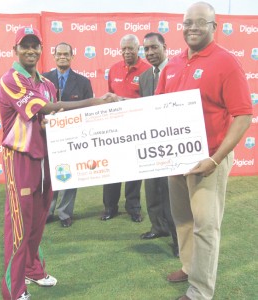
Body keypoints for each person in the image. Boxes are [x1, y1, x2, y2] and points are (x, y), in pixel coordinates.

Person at [0, 26, 117, 300]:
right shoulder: (10, 79)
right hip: (21, 159)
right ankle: (13, 291)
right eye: (24, 46)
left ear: (41, 49)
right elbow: (46, 108)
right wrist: (95, 101)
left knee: (39, 219)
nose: (30, 50)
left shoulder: (47, 84)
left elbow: (56, 117)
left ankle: (33, 270)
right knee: (19, 224)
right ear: (15, 50)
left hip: (47, 157)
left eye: (34, 45)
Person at [155, 2, 252, 300]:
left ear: (214, 27)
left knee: (206, 227)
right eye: (187, 22)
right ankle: (188, 266)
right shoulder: (172, 65)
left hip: (208, 158)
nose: (193, 27)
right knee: (183, 220)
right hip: (175, 159)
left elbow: (243, 115)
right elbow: (156, 109)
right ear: (181, 27)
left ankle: (200, 290)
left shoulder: (226, 62)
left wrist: (215, 158)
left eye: (200, 22)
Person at [43, 42, 93, 228]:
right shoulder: (43, 79)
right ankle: (47, 211)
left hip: (73, 138)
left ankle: (65, 213)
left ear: (72, 57)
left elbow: (89, 111)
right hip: (47, 136)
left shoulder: (83, 82)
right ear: (54, 56)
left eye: (66, 54)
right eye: (59, 54)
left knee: (69, 175)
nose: (62, 57)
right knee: (48, 176)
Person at [101, 34, 150, 223]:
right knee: (112, 168)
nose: (127, 52)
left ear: (138, 49)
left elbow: (148, 101)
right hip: (114, 128)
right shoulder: (113, 69)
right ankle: (109, 207)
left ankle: (133, 208)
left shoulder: (147, 70)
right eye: (124, 49)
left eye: (130, 48)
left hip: (137, 128)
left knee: (134, 170)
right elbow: (109, 97)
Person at [139, 32, 178, 257]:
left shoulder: (178, 70)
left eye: (154, 47)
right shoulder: (144, 77)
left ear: (165, 47)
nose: (150, 52)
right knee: (152, 188)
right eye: (147, 49)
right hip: (150, 143)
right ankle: (158, 227)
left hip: (173, 142)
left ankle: (178, 239)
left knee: (172, 194)